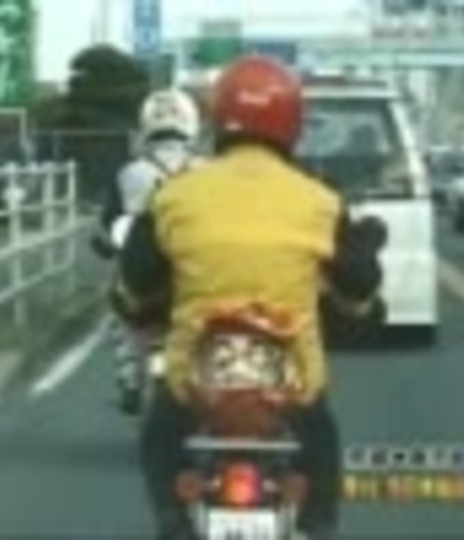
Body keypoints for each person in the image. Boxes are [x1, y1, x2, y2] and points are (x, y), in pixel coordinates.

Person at [111, 55, 386, 539]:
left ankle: (173, 524)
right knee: (321, 441)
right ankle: (317, 526)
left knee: (160, 437)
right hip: (290, 383)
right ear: (292, 123)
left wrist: (136, 306)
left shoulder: (176, 196)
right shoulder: (319, 201)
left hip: (197, 379)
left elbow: (134, 286)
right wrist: (359, 308)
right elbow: (359, 287)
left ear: (217, 119)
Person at [100, 88, 205, 415]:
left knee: (119, 312)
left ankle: (129, 380)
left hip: (143, 268)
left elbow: (110, 220)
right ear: (192, 123)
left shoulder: (129, 172)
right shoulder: (207, 169)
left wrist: (111, 243)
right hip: (197, 269)